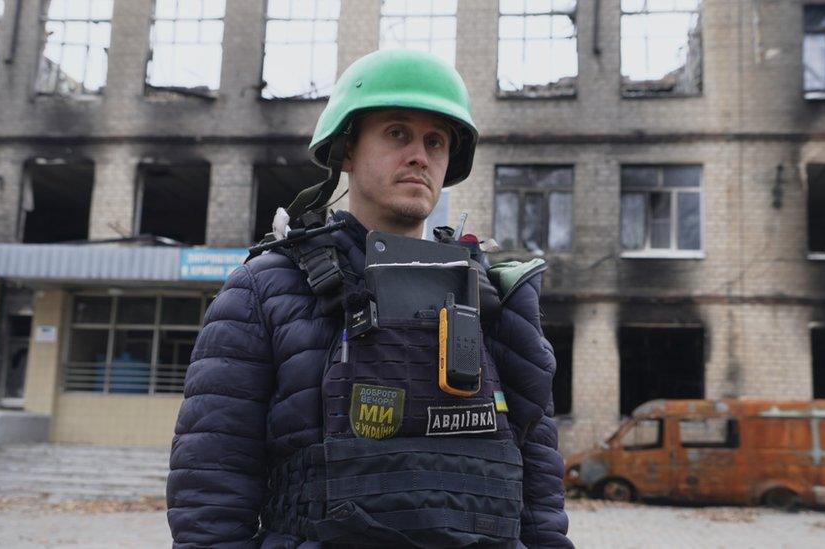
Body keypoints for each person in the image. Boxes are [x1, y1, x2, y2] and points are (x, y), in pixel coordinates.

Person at [167, 49, 572, 548]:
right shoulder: (265, 289)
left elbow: (539, 483)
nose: (420, 156)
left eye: (435, 141)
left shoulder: (497, 300)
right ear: (347, 151)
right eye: (397, 133)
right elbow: (210, 486)